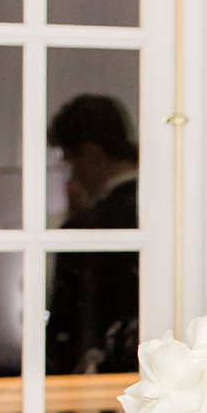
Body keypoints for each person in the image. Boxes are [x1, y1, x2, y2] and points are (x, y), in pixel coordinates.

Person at [44, 94, 139, 375]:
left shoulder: (91, 226)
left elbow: (71, 325)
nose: (72, 173)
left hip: (99, 375)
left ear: (91, 152)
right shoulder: (164, 210)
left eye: (70, 160)